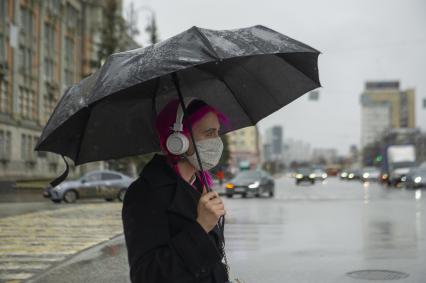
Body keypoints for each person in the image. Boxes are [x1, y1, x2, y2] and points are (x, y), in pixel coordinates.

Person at [122, 97, 230, 283]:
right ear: (178, 140)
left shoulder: (199, 185)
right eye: (209, 133)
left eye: (218, 133)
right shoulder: (145, 193)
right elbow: (146, 275)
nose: (217, 142)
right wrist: (201, 226)